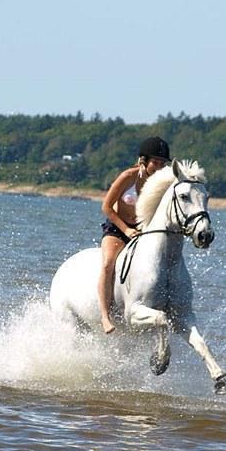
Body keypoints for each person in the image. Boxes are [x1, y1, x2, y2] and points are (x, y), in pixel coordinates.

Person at [97, 135, 171, 333]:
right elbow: (106, 207)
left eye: (163, 163)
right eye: (155, 162)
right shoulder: (128, 177)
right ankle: (105, 315)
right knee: (108, 263)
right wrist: (126, 230)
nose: (159, 167)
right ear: (144, 160)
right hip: (117, 228)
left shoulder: (163, 184)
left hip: (144, 231)